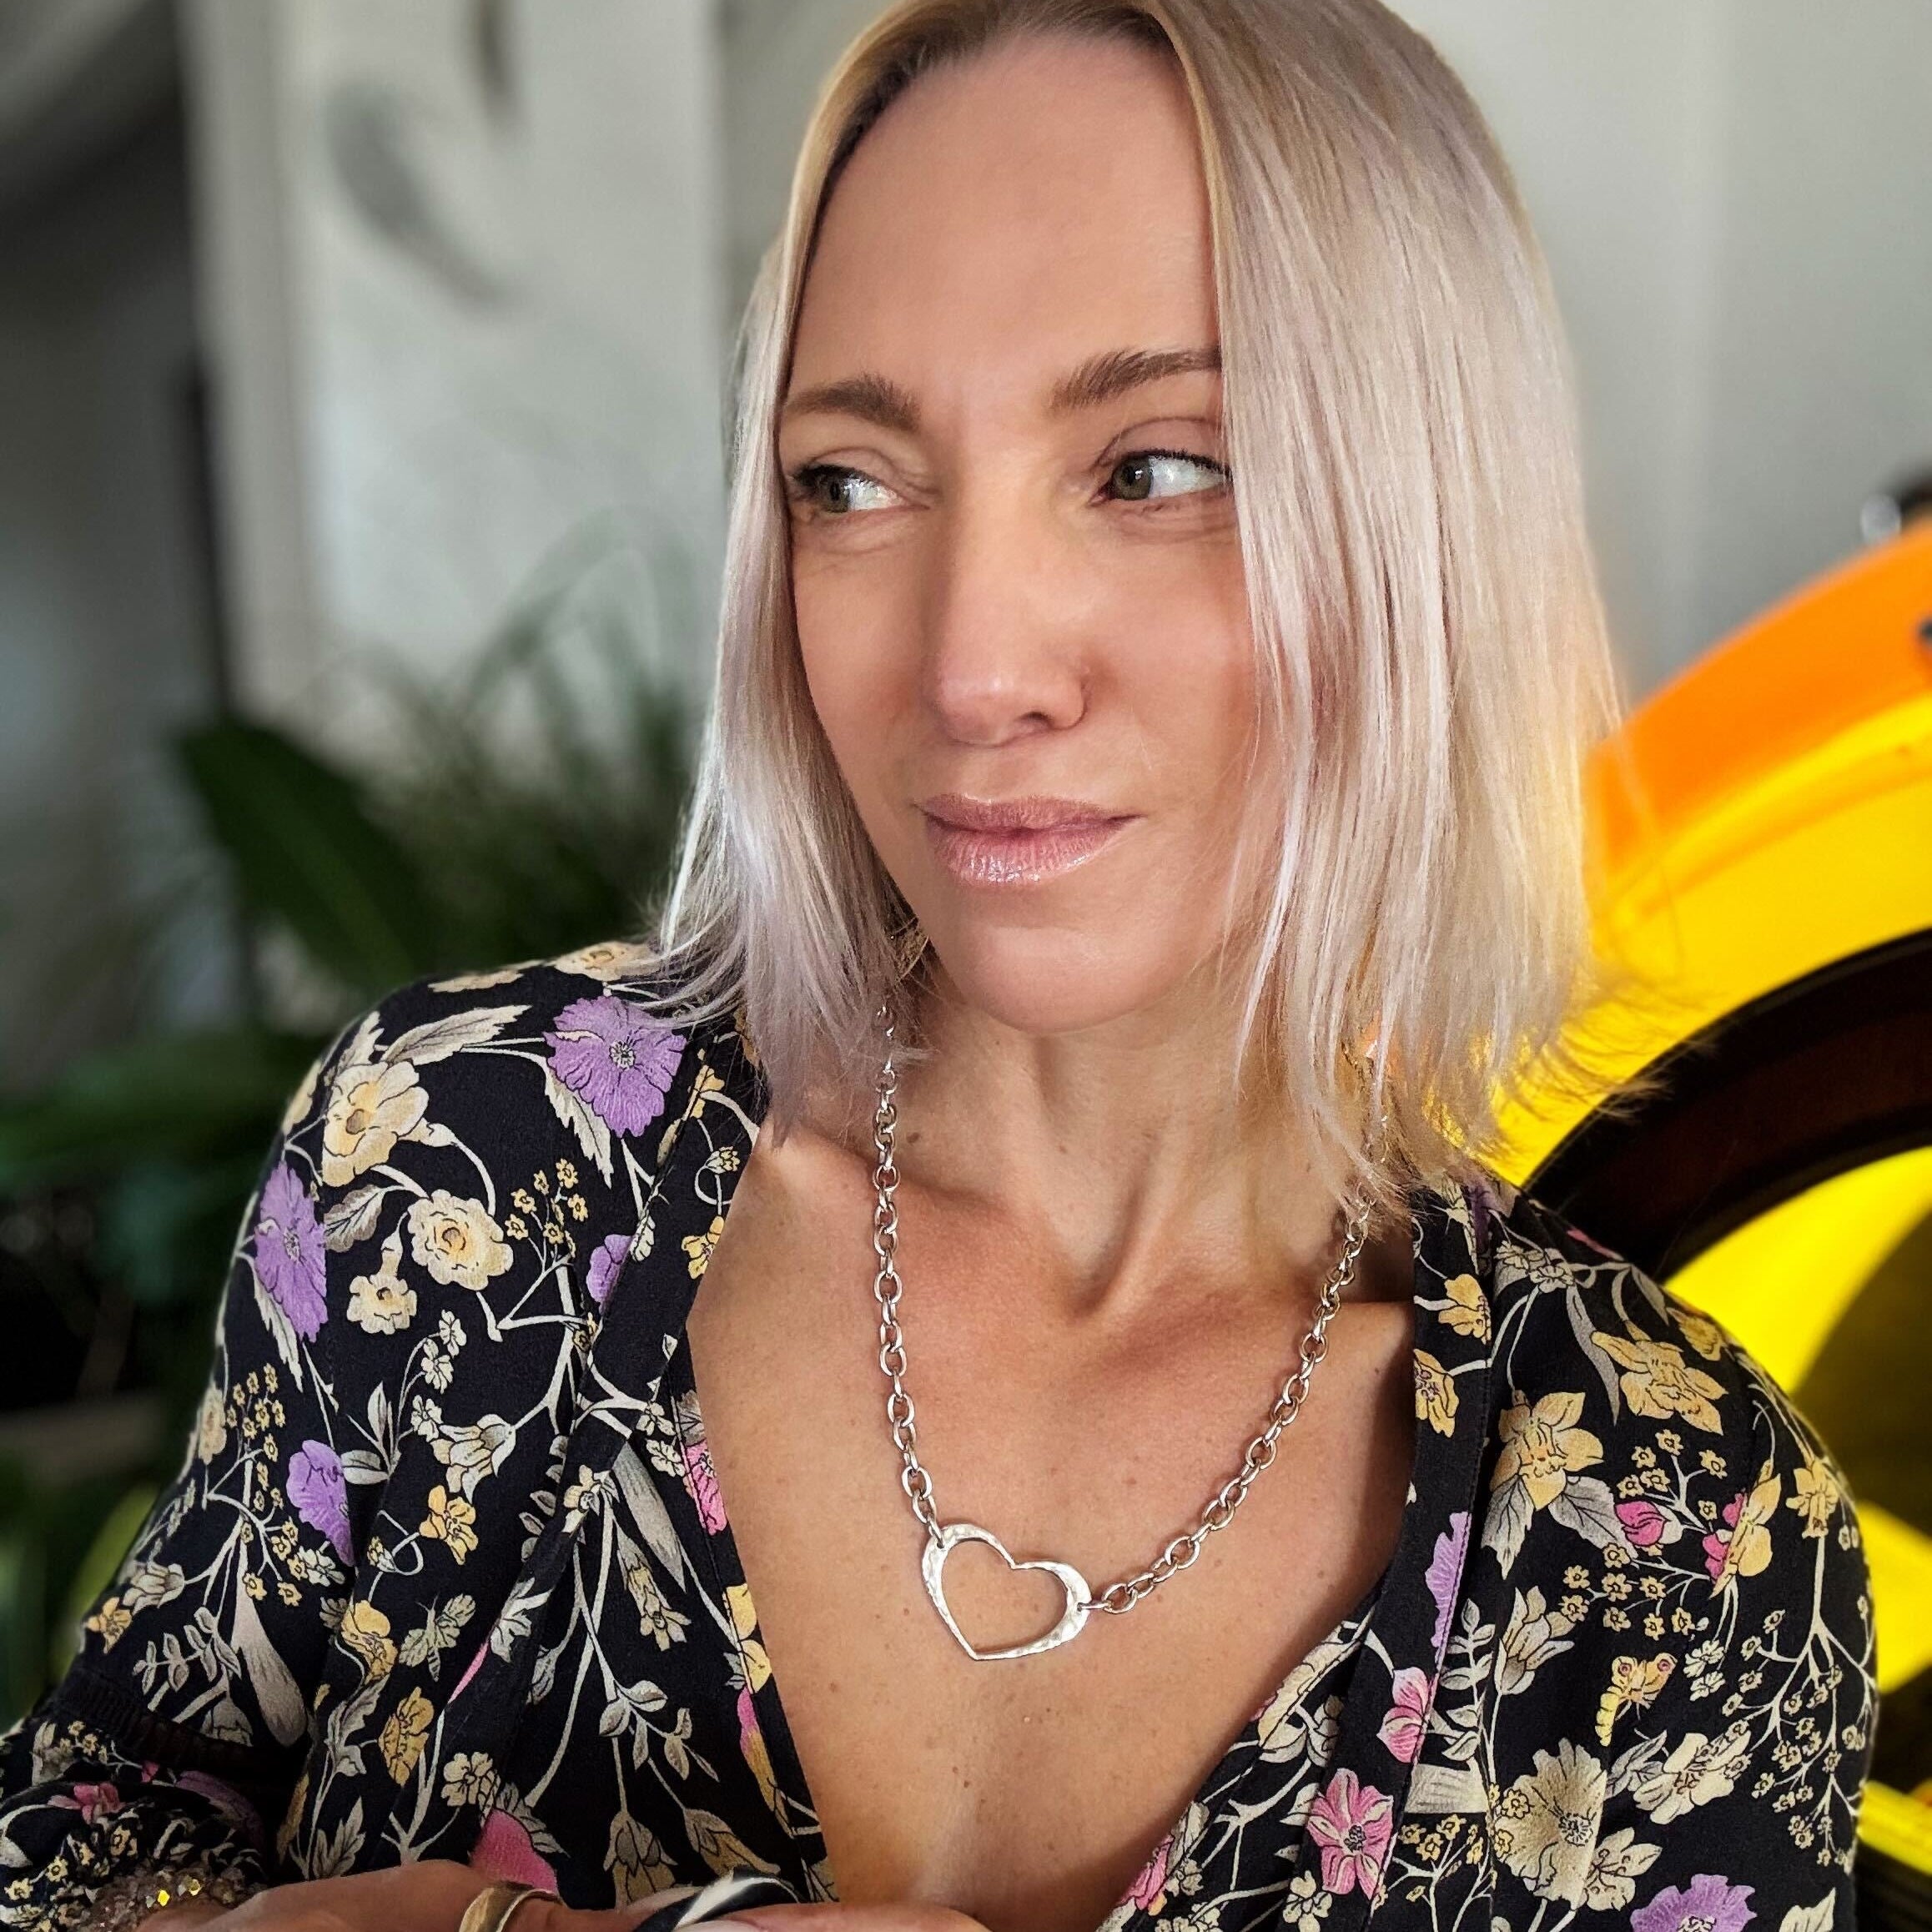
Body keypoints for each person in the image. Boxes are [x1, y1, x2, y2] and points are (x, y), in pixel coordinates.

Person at [0, 3, 1874, 1929]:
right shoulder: (465, 1170)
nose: (974, 670)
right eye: (855, 481)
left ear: (1425, 516)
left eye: (1157, 468)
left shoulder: (1683, 1548)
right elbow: (85, 1837)